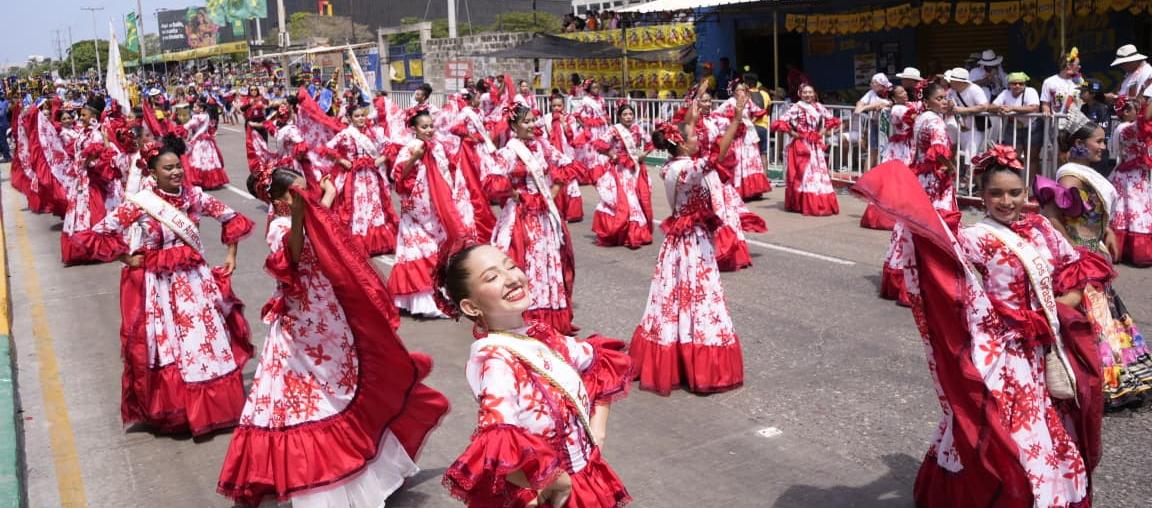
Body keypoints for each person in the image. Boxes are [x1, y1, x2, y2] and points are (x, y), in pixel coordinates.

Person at [851, 150, 1108, 508]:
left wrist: (1058, 310)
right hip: (1002, 350)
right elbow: (953, 286)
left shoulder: (1041, 228)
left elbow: (1076, 269)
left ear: (1026, 192)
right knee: (999, 431)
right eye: (997, 194)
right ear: (982, 195)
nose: (1007, 201)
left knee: (1046, 429)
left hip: (1042, 348)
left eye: (1015, 192)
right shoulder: (974, 238)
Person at [218, 167, 449, 506]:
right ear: (282, 199)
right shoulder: (280, 226)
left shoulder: (309, 213)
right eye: (298, 190)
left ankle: (365, 462)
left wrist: (325, 193)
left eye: (305, 187)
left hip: (328, 315)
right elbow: (292, 257)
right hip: (301, 325)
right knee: (307, 394)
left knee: (343, 384)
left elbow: (318, 217)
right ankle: (316, 478)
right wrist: (300, 214)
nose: (306, 193)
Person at [71, 136, 255, 435]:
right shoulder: (141, 204)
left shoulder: (194, 196)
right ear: (152, 172)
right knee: (168, 346)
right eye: (167, 168)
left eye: (177, 166)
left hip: (196, 283)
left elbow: (230, 217)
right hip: (160, 286)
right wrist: (127, 258)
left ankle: (214, 408)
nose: (175, 172)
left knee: (204, 344)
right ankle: (179, 411)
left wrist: (231, 255)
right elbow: (97, 233)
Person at [437, 243, 633, 507]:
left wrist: (597, 432)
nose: (511, 278)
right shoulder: (496, 359)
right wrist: (554, 481)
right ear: (472, 307)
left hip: (586, 478)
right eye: (492, 277)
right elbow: (495, 442)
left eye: (510, 266)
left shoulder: (540, 333)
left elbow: (602, 362)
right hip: (549, 495)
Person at [630, 86, 745, 396]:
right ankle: (698, 362)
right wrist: (736, 117)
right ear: (680, 144)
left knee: (677, 299)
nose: (698, 140)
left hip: (686, 240)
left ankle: (680, 354)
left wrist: (694, 111)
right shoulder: (683, 170)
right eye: (693, 137)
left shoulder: (674, 165)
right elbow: (717, 153)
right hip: (691, 244)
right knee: (697, 298)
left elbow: (703, 143)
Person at [1036, 119, 1152, 409]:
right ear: (1078, 144)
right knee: (1093, 318)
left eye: (1103, 140)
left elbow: (1089, 213)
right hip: (1082, 259)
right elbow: (1053, 217)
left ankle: (1110, 377)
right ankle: (1097, 379)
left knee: (1104, 316)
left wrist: (1107, 231)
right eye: (1098, 141)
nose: (1103, 146)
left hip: (1091, 253)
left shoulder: (1083, 174)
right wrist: (1076, 252)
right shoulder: (1070, 177)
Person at [489, 103, 582, 334]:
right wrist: (515, 194)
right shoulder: (510, 151)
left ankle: (549, 317)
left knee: (547, 261)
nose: (532, 125)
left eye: (533, 120)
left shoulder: (542, 146)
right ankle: (523, 315)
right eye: (526, 121)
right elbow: (493, 179)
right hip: (521, 215)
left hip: (543, 214)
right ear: (514, 125)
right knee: (525, 261)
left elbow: (567, 164)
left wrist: (553, 192)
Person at [389, 107, 478, 317]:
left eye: (431, 126)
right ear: (414, 129)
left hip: (436, 206)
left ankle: (438, 298)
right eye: (424, 127)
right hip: (416, 211)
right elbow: (399, 177)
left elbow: (446, 174)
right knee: (421, 250)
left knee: (437, 250)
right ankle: (423, 303)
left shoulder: (437, 147)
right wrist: (415, 158)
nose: (429, 130)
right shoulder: (410, 147)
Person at [880, 82, 956, 305]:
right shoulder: (934, 122)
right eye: (939, 98)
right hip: (933, 180)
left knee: (910, 224)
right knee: (932, 227)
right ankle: (925, 281)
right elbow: (939, 150)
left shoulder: (921, 118)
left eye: (945, 98)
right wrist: (950, 167)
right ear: (927, 101)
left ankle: (902, 272)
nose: (944, 101)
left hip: (921, 177)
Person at [318, 105, 400, 256]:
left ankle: (377, 241)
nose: (361, 118)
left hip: (372, 176)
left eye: (363, 115)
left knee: (375, 206)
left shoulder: (374, 132)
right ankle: (359, 241)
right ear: (350, 118)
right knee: (358, 208)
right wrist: (342, 161)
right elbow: (326, 149)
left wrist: (380, 159)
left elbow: (391, 146)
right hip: (354, 178)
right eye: (357, 116)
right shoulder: (346, 134)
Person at [61, 97, 123, 265]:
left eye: (84, 115)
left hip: (93, 180)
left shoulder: (96, 135)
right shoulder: (84, 132)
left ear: (93, 115)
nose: (80, 118)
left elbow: (101, 159)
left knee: (94, 212)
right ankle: (83, 249)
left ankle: (97, 248)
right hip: (81, 179)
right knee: (80, 213)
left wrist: (86, 162)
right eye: (80, 115)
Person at [590, 101, 654, 248]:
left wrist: (643, 154)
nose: (628, 117)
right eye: (625, 114)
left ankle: (635, 232)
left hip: (634, 169)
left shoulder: (638, 129)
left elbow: (651, 143)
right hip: (619, 170)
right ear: (619, 116)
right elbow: (599, 144)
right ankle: (625, 232)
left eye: (630, 114)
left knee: (637, 199)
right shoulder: (614, 130)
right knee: (625, 200)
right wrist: (612, 153)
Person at [770, 83, 841, 216]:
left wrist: (822, 132)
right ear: (800, 94)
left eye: (810, 92)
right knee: (805, 172)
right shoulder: (797, 107)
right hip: (802, 144)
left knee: (818, 173)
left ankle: (819, 199)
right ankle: (804, 202)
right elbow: (782, 122)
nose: (808, 95)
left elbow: (831, 120)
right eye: (805, 93)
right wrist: (793, 133)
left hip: (815, 144)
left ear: (814, 94)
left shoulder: (818, 106)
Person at [447, 87, 500, 240]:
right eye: (477, 97)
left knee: (483, 180)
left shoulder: (480, 112)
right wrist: (469, 134)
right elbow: (454, 128)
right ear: (470, 99)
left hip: (480, 148)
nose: (480, 99)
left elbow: (485, 126)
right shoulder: (465, 112)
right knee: (471, 183)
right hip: (469, 149)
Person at [860, 85, 914, 231]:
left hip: (906, 146)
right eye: (900, 92)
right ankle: (889, 216)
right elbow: (913, 118)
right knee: (896, 180)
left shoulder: (905, 106)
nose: (904, 93)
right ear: (894, 98)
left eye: (904, 90)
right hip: (900, 149)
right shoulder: (898, 109)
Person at [1109, 97, 1152, 267]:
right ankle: (1137, 252)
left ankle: (1123, 249)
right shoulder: (1126, 128)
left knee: (1125, 211)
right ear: (1126, 112)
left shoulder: (1121, 128)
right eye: (1136, 109)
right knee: (1135, 210)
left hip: (1131, 174)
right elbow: (1145, 120)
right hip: (1132, 176)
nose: (1139, 112)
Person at [714, 80, 773, 200]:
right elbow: (716, 114)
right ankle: (740, 190)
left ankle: (755, 190)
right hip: (736, 137)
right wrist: (730, 122)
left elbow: (759, 112)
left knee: (752, 161)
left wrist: (750, 121)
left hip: (748, 135)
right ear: (733, 92)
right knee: (739, 161)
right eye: (738, 90)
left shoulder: (748, 102)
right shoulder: (729, 103)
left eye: (743, 90)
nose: (741, 92)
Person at [541, 94, 587, 223]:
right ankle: (557, 210)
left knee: (570, 181)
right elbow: (542, 137)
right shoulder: (546, 119)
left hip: (567, 153)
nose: (556, 108)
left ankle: (572, 213)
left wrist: (564, 124)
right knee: (555, 179)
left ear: (564, 106)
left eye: (559, 105)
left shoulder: (569, 118)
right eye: (554, 105)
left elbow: (573, 137)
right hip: (554, 154)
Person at [989, 72, 1041, 153]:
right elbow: (991, 107)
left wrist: (1011, 108)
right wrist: (1000, 108)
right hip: (1012, 127)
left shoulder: (1031, 91)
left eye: (1021, 83)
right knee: (1013, 156)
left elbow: (1034, 108)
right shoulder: (1005, 93)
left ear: (1025, 84)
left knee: (1032, 156)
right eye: (1014, 83)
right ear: (1009, 85)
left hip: (1031, 127)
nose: (1017, 85)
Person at [944, 68, 989, 161]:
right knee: (963, 152)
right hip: (962, 127)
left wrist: (964, 110)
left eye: (952, 81)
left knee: (971, 154)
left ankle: (969, 175)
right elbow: (951, 108)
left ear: (959, 82)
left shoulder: (974, 89)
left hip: (976, 128)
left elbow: (984, 106)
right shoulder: (952, 91)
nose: (950, 83)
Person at [183, 98, 229, 189]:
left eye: (196, 107)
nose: (194, 108)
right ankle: (208, 180)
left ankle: (202, 180)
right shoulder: (204, 115)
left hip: (201, 141)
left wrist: (182, 127)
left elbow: (192, 124)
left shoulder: (201, 117)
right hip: (203, 140)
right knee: (207, 160)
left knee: (199, 159)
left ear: (201, 109)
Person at [1041, 48, 1083, 116]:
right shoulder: (1049, 82)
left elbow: (1085, 100)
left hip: (1076, 124)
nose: (1079, 67)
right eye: (1077, 65)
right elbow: (1045, 104)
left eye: (1078, 65)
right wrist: (1046, 111)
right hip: (1057, 124)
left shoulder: (1080, 80)